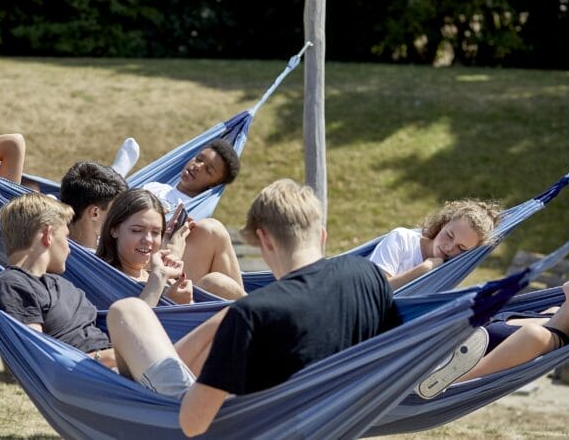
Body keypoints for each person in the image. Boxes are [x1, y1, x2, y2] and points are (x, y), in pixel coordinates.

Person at [105, 179, 404, 437]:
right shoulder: (369, 277)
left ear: (264, 240)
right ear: (322, 234)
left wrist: (231, 320)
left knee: (128, 312)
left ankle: (121, 381)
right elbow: (390, 355)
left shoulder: (254, 315)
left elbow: (192, 423)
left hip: (229, 429)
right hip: (327, 421)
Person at [0, 193, 186, 370]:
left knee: (215, 327)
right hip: (99, 375)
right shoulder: (12, 284)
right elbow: (40, 356)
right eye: (66, 237)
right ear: (48, 235)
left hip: (125, 365)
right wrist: (112, 356)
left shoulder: (63, 285)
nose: (70, 248)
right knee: (128, 309)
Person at [417, 263, 569, 399]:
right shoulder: (551, 313)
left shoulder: (538, 337)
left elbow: (469, 381)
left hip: (425, 374)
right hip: (433, 347)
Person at [96, 189, 245, 302]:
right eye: (136, 230)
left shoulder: (152, 270)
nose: (147, 239)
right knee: (215, 283)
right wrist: (175, 304)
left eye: (155, 232)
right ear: (114, 230)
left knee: (211, 230)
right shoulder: (103, 277)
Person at [368, 199, 503, 289]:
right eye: (449, 235)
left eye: (461, 248)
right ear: (444, 223)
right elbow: (375, 290)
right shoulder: (402, 239)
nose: (449, 248)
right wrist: (425, 268)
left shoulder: (448, 274)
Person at [142, 139, 241, 213]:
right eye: (199, 159)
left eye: (208, 170)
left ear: (215, 184)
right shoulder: (153, 186)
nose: (197, 166)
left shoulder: (194, 211)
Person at [60, 161, 128, 251]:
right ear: (95, 213)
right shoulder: (103, 262)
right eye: (116, 210)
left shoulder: (52, 237)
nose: (121, 216)